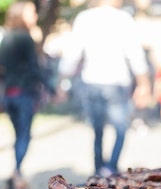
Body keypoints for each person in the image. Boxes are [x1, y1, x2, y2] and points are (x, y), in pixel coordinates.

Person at [58, 0, 151, 177]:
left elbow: (72, 54)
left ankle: (99, 168)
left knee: (98, 129)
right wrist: (144, 84)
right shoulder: (123, 18)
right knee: (120, 128)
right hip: (116, 83)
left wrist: (62, 81)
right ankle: (110, 166)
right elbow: (135, 55)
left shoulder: (84, 18)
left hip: (92, 82)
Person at [0, 1, 54, 189]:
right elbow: (34, 68)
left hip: (9, 94)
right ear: (21, 14)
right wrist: (51, 88)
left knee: (18, 135)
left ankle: (16, 173)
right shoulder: (25, 38)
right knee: (24, 135)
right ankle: (17, 173)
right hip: (24, 94)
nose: (35, 16)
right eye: (32, 13)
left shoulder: (6, 38)